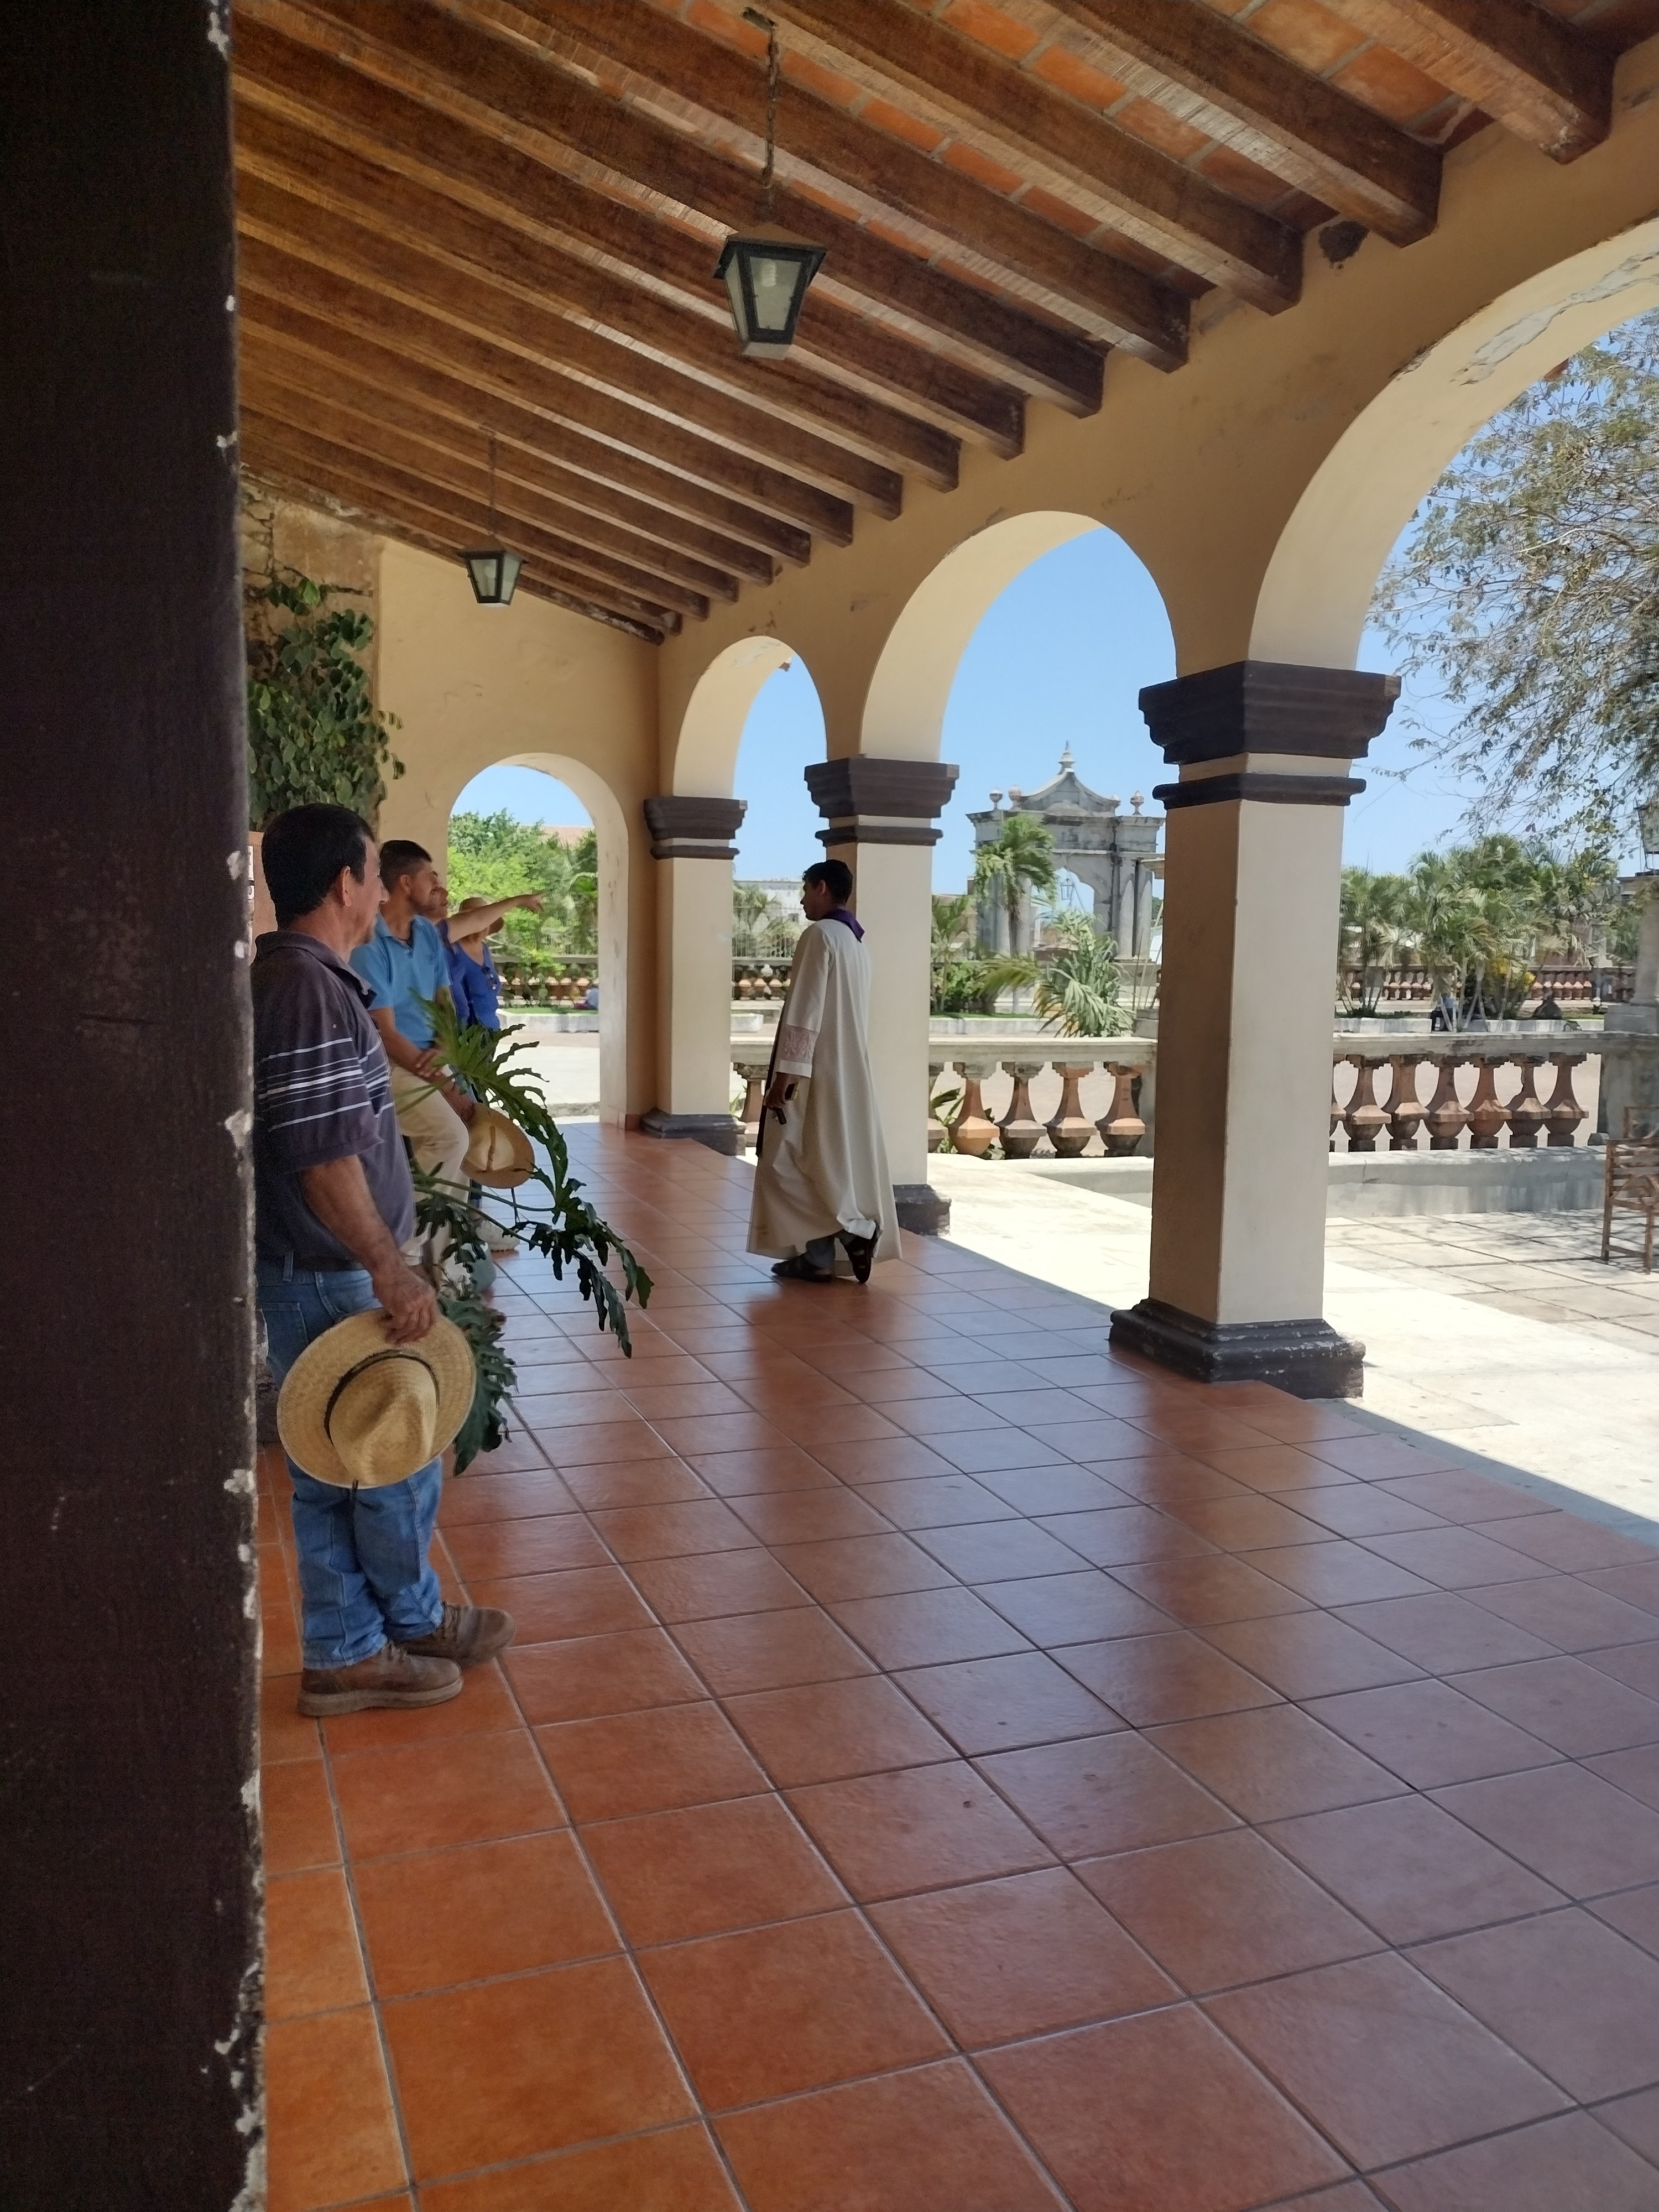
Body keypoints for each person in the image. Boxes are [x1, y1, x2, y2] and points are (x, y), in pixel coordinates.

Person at [252, 804, 514, 1715]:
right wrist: (390, 1268)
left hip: (317, 1267)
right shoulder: (311, 990)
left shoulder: (302, 978)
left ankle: (355, 1646)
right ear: (345, 887)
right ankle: (403, 1623)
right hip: (334, 1272)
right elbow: (325, 1156)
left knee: (338, 1464)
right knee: (393, 1452)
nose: (374, 890)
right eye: (371, 874)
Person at [748, 857, 900, 1282]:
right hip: (844, 1070)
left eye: (804, 890)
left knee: (783, 1162)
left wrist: (786, 1077)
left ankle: (852, 1230)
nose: (800, 901)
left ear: (821, 888)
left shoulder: (820, 935)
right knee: (821, 1160)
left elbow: (806, 1008)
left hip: (813, 1073)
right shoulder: (856, 944)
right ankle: (818, 1255)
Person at [350, 841, 478, 1253]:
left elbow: (446, 1005)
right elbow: (385, 1035)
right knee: (449, 1139)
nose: (438, 885)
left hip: (433, 1060)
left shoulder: (426, 933)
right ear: (406, 883)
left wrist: (444, 1051)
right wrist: (441, 1080)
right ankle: (405, 1252)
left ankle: (449, 1260)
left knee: (470, 1133)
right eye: (431, 878)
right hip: (390, 1064)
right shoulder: (370, 943)